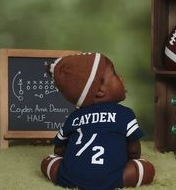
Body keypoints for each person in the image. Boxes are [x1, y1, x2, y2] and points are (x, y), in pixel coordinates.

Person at [41, 52, 155, 189]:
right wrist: (132, 160)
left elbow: (59, 149)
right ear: (100, 91)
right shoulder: (124, 114)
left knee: (47, 162)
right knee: (147, 168)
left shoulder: (74, 117)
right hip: (111, 177)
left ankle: (61, 169)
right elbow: (134, 151)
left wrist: (65, 159)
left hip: (71, 177)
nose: (121, 78)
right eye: (114, 75)